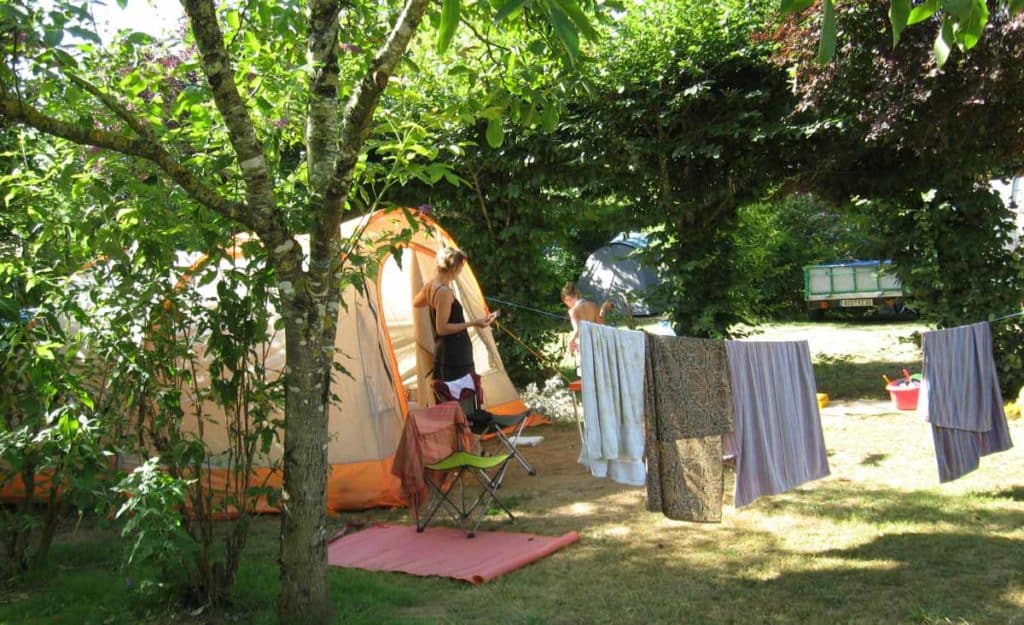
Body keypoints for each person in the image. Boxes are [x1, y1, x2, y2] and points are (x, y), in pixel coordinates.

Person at [413, 246, 498, 381]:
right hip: (454, 354)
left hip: (445, 351)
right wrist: (473, 323)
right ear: (454, 268)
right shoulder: (444, 292)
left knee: (450, 395)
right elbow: (442, 328)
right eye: (460, 267)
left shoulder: (431, 285)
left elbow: (416, 302)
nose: (461, 271)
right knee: (461, 396)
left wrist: (435, 304)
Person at [561, 282, 612, 355]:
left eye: (567, 303)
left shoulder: (573, 311)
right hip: (596, 344)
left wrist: (571, 342)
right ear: (576, 294)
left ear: (566, 299)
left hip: (583, 347)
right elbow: (601, 324)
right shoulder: (593, 305)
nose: (568, 305)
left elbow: (579, 329)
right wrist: (603, 309)